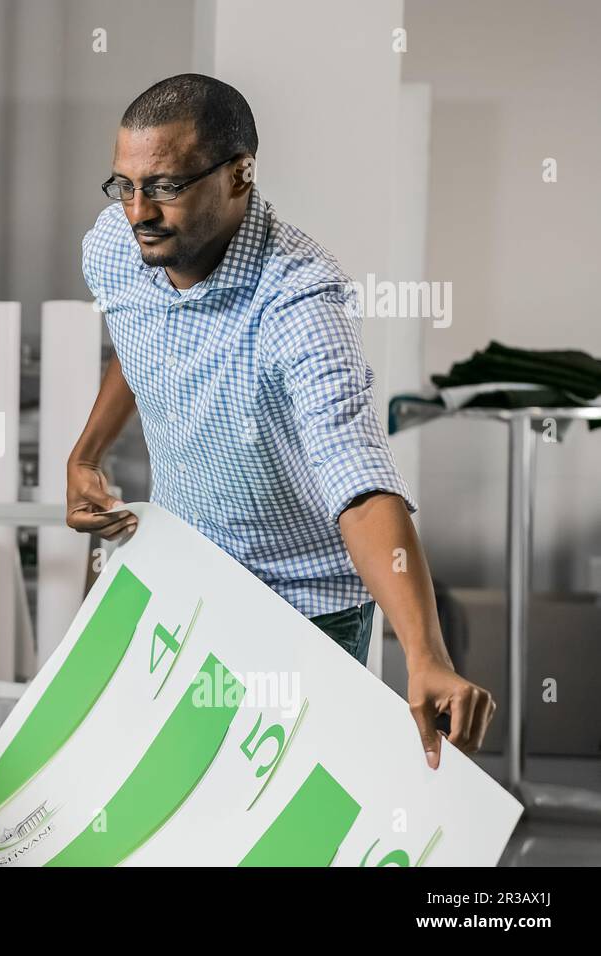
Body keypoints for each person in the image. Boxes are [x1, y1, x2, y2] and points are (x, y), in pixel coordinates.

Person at [67, 73, 493, 769]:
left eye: (165, 186)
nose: (138, 209)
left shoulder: (298, 299)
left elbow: (357, 479)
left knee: (284, 825)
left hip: (303, 606)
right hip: (183, 578)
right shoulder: (117, 245)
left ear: (240, 175)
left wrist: (425, 653)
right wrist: (86, 455)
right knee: (169, 803)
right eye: (125, 184)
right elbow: (138, 338)